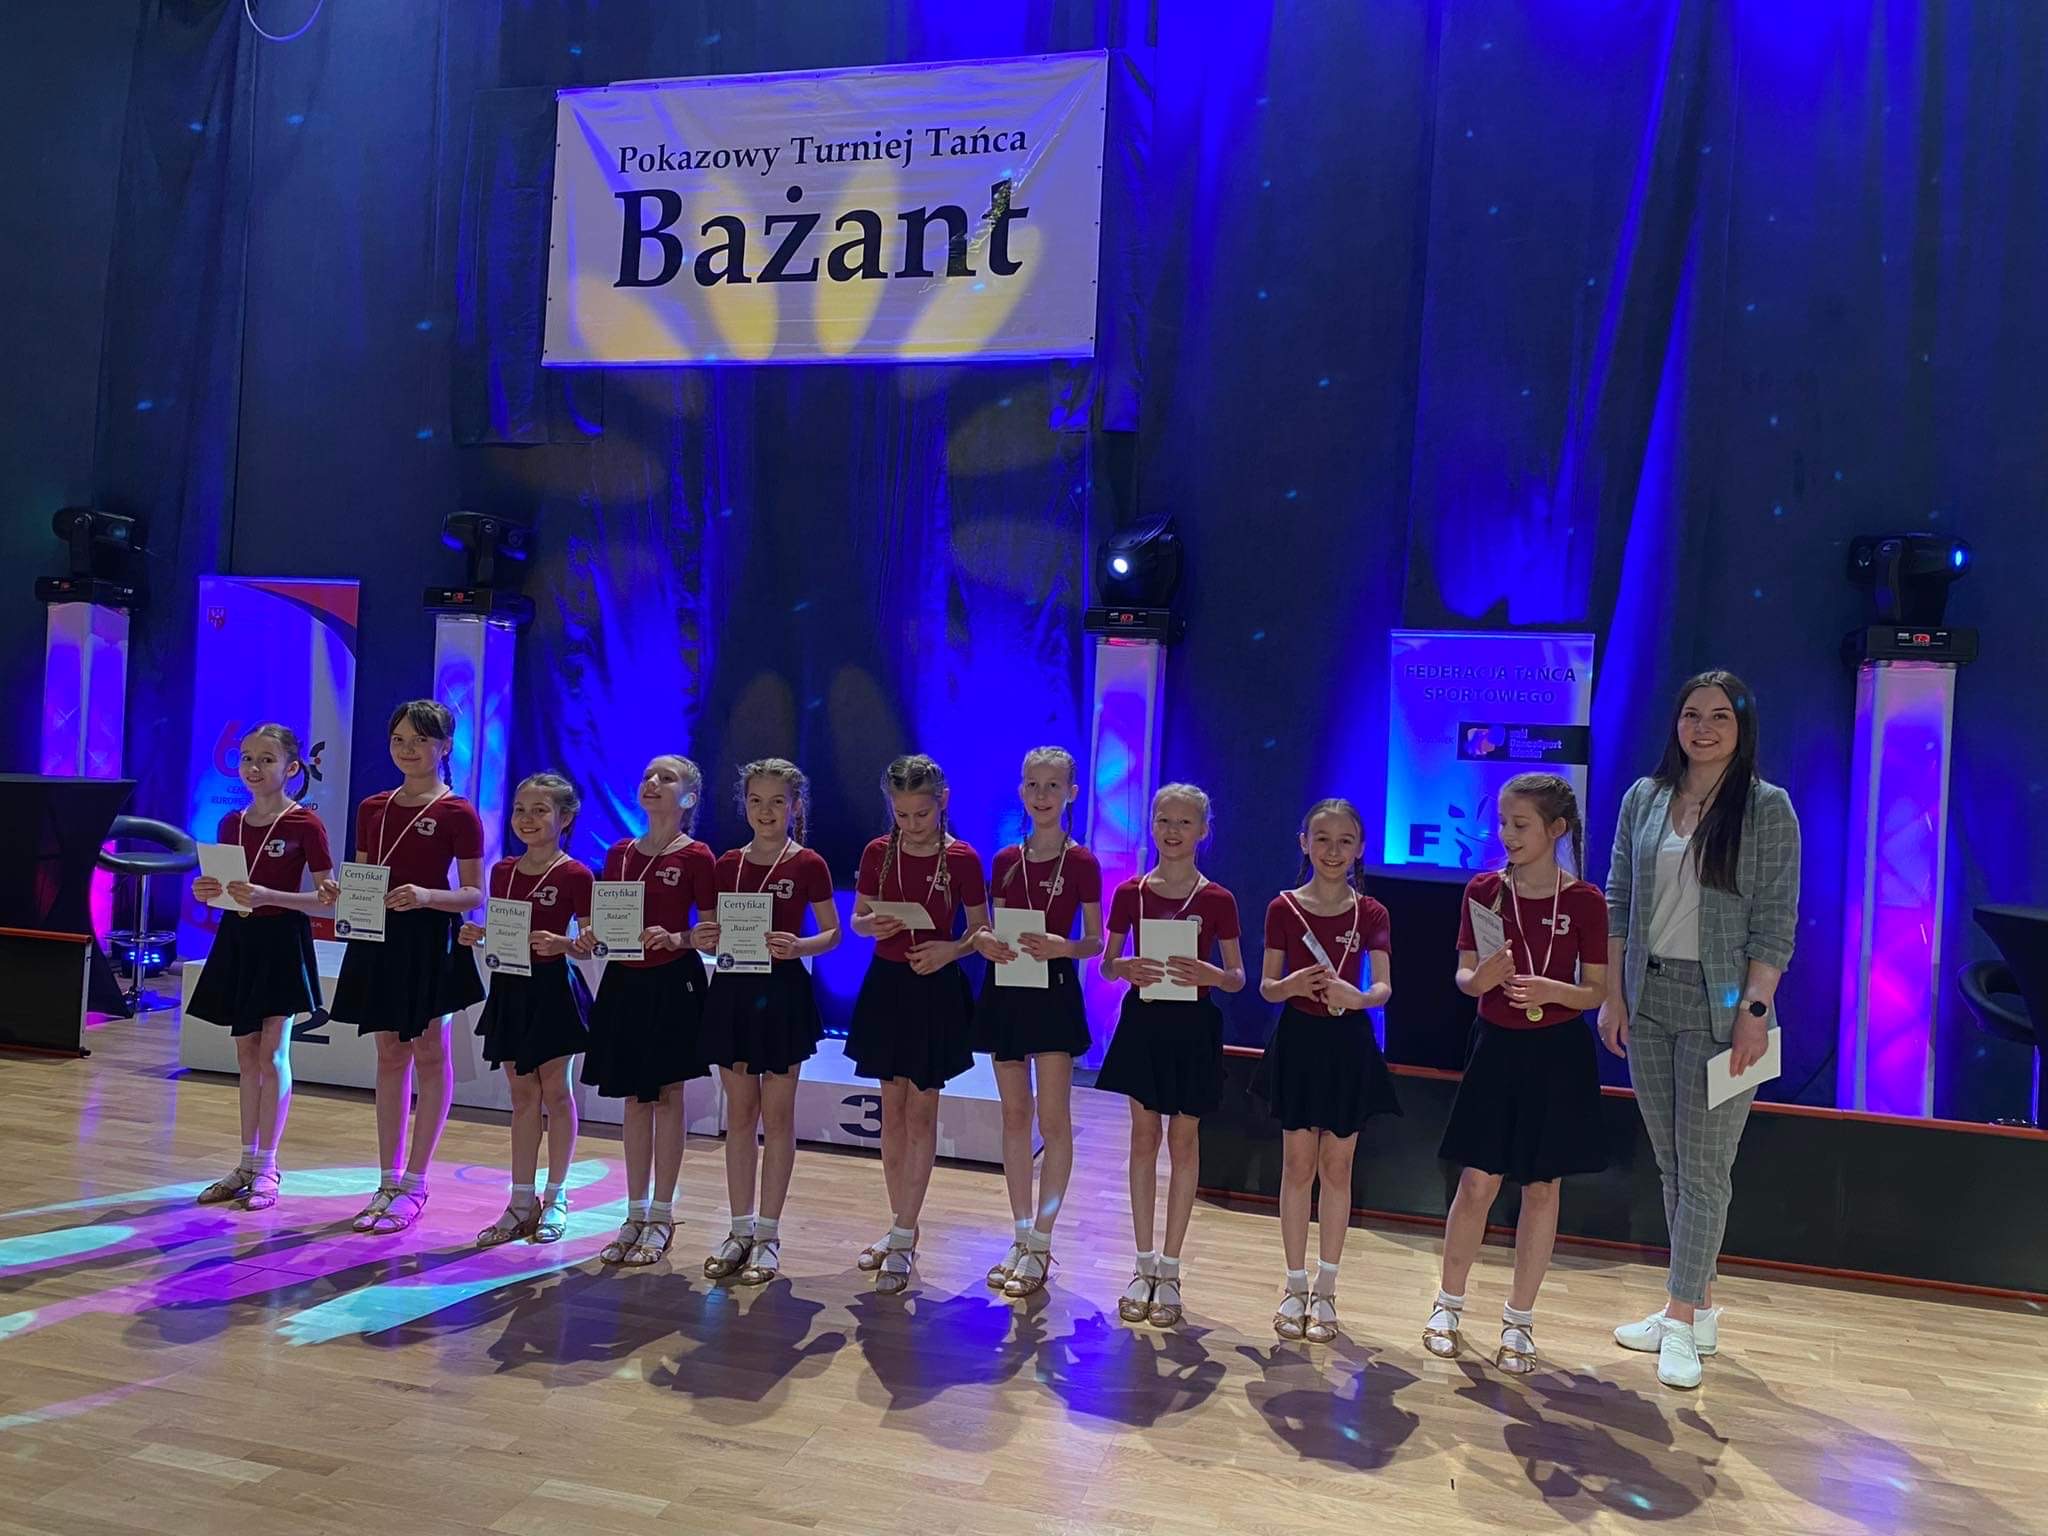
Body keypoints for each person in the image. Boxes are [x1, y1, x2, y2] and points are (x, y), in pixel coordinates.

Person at [1600, 670, 1800, 1389]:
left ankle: (1680, 1319)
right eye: (1692, 714)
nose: (1704, 728)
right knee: (1673, 1166)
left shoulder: (1767, 808)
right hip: (1648, 998)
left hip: (1724, 1009)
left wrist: (1754, 1012)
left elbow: (1775, 922)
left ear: (1742, 727)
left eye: (1720, 716)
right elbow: (1618, 902)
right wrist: (1614, 996)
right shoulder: (1644, 798)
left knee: (1706, 1171)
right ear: (1676, 723)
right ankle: (1698, 1306)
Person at [1423, 773, 1608, 1372]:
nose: (1507, 834)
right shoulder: (1484, 890)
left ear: (1557, 829)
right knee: (1477, 1181)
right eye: (1503, 822)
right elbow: (1464, 975)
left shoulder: (1584, 901)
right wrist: (1479, 980)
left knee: (1542, 1187)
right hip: (1496, 1047)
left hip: (1557, 1052)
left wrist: (1553, 990)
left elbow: (1595, 991)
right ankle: (1447, 1306)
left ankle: (1519, 1322)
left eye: (1520, 824)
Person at [327, 700, 487, 1235]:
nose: (408, 749)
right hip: (379, 938)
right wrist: (346, 894)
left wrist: (426, 896)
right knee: (389, 1053)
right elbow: (364, 876)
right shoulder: (372, 806)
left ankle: (416, 1181)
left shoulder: (458, 812)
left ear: (445, 747)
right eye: (399, 739)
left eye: (420, 740)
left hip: (430, 939)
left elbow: (473, 892)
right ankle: (387, 1178)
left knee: (429, 1052)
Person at [1096, 782, 1245, 1329]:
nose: (1173, 831)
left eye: (1185, 822)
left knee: (1184, 1141)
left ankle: (1171, 1268)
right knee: (1143, 1137)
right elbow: (1107, 963)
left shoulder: (1218, 899)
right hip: (1145, 1021)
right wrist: (1122, 968)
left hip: (1194, 1025)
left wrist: (1211, 974)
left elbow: (1237, 976)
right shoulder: (1131, 892)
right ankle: (1142, 1264)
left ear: (1203, 830)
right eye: (1164, 820)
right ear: (1152, 825)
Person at [1256, 797, 1396, 1344]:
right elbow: (1268, 986)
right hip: (1299, 1041)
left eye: (1344, 841)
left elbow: (1383, 987)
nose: (1332, 851)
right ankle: (1294, 1285)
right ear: (1304, 843)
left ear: (1359, 848)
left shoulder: (1372, 912)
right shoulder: (1283, 907)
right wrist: (1292, 984)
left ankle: (1327, 1289)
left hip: (1348, 1045)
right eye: (1322, 839)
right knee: (1297, 1165)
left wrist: (1357, 997)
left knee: (1337, 1168)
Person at [847, 753, 988, 1296]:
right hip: (887, 985)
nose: (911, 824)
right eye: (901, 815)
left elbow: (979, 930)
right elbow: (859, 919)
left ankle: (904, 1234)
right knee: (892, 1112)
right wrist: (872, 925)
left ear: (942, 802)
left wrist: (949, 950)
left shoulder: (963, 858)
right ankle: (899, 1225)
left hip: (934, 988)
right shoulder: (876, 852)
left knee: (921, 1111)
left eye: (921, 814)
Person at [699, 758, 840, 1286]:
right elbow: (708, 930)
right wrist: (705, 938)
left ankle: (768, 1234)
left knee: (777, 1118)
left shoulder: (809, 864)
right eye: (756, 801)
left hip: (782, 996)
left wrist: (800, 945)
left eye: (777, 801)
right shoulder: (726, 864)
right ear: (745, 804)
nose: (766, 811)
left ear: (795, 807)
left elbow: (833, 933)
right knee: (740, 1114)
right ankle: (739, 1229)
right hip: (733, 994)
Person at [970, 746, 1104, 1299]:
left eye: (1053, 786)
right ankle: (1020, 1234)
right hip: (1006, 991)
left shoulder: (1083, 862)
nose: (1042, 795)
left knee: (1053, 1120)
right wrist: (983, 940)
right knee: (1013, 1116)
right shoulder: (1005, 859)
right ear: (1021, 791)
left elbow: (1094, 941)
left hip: (1053, 994)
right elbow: (987, 927)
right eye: (1033, 784)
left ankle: (1043, 1242)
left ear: (1071, 793)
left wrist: (1062, 946)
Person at [186, 723, 335, 1212]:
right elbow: (225, 889)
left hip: (282, 940)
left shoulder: (305, 824)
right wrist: (206, 890)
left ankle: (268, 1166)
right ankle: (246, 1162)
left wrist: (272, 896)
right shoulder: (231, 823)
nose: (253, 767)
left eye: (266, 759)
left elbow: (328, 899)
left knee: (273, 1053)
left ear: (291, 768)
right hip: (240, 938)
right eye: (247, 757)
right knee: (246, 1053)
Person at [585, 754, 719, 1267]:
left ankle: (662, 1214)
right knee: (633, 1098)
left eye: (667, 778)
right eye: (646, 775)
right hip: (625, 981)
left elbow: (711, 930)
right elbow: (606, 919)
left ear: (689, 797)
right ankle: (634, 1212)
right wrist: (593, 934)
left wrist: (677, 937)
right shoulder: (619, 853)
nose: (653, 783)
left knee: (667, 1094)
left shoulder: (698, 856)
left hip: (673, 981)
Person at [461, 773, 595, 1247]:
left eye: (540, 810)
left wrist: (565, 943)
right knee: (522, 1097)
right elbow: (504, 931)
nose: (527, 819)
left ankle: (556, 1196)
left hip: (555, 990)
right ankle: (521, 1201)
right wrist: (479, 935)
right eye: (520, 809)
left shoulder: (576, 874)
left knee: (556, 1093)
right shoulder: (503, 871)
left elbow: (591, 942)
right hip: (511, 990)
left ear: (565, 818)